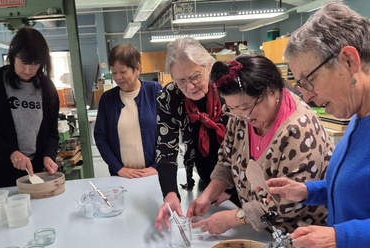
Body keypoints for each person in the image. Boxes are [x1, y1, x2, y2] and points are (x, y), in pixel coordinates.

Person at [186, 54, 334, 235]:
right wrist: (207, 196)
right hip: (260, 230)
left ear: (272, 90)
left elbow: (287, 203)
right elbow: (226, 160)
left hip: (300, 234)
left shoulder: (299, 130)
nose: (240, 116)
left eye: (245, 107)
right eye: (231, 109)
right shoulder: (241, 117)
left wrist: (233, 218)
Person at [265, 1, 370, 247]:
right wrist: (307, 192)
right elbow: (357, 189)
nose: (306, 95)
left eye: (308, 80)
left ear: (348, 61)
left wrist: (339, 237)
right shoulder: (357, 117)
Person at [155, 37, 237, 231]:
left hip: (243, 180)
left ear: (208, 66)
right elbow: (166, 148)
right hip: (207, 177)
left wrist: (234, 190)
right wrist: (170, 193)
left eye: (195, 77)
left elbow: (252, 143)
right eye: (181, 81)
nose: (189, 87)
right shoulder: (171, 97)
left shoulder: (230, 86)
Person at [0, 27, 59, 188]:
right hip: (0, 174)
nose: (28, 70)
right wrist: (10, 153)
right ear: (12, 54)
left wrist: (48, 155)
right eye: (23, 62)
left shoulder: (47, 87)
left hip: (36, 172)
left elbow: (52, 132)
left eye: (35, 64)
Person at [94, 44, 162, 178]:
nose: (118, 77)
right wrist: (118, 168)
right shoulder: (107, 99)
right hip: (121, 177)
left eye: (123, 72)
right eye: (114, 73)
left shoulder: (155, 91)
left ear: (137, 68)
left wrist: (156, 166)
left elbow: (168, 132)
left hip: (153, 175)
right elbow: (100, 137)